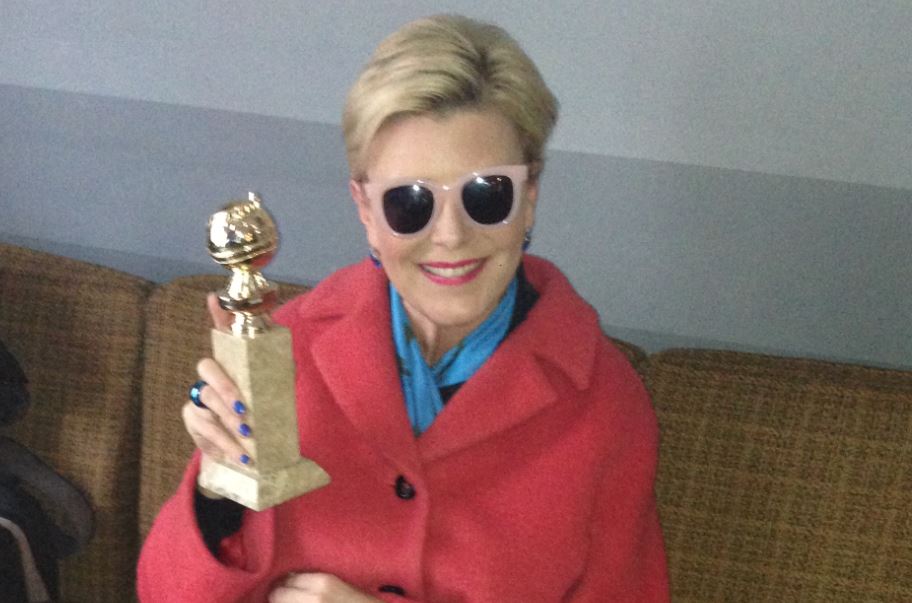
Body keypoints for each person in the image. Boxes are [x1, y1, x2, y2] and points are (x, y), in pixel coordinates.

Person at [137, 14, 669, 602]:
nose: (451, 236)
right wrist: (217, 493)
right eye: (409, 203)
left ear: (530, 198)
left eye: (486, 195)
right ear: (365, 210)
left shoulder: (606, 405)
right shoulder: (284, 348)